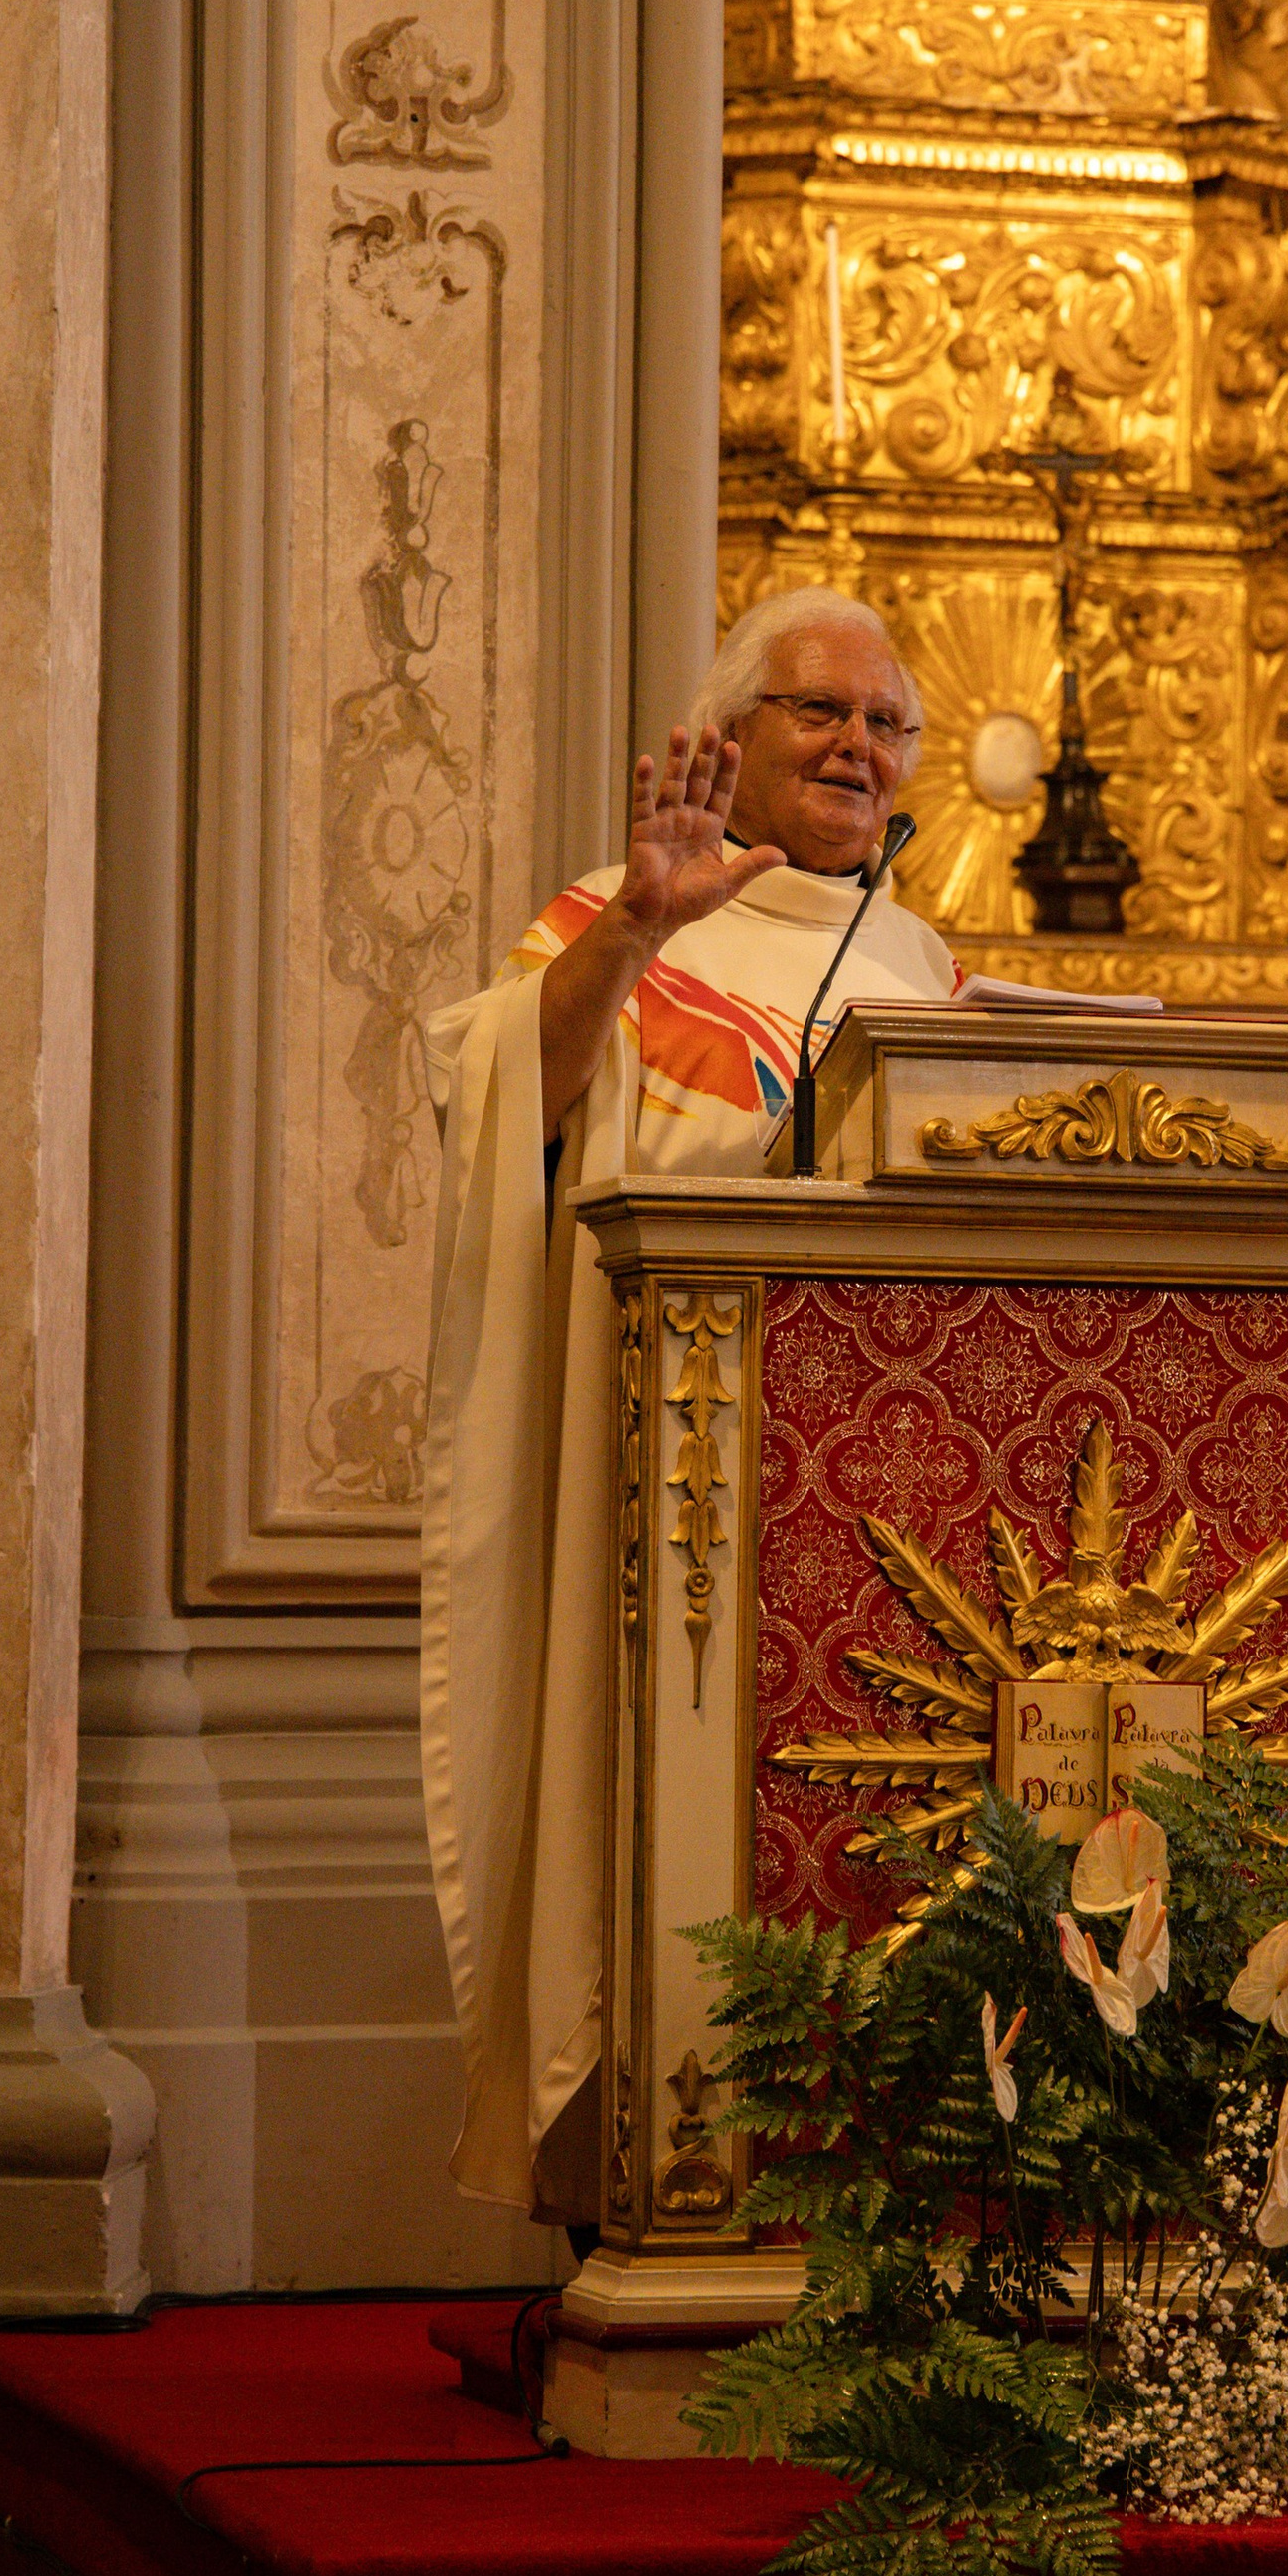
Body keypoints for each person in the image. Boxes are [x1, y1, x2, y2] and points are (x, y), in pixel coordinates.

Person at [419, 590, 957, 2215]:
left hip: (874, 1491)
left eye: (885, 726)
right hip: (660, 1479)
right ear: (732, 742)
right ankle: (663, 2184)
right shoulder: (622, 917)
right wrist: (639, 929)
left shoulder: (918, 961)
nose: (858, 747)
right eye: (820, 713)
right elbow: (514, 1105)